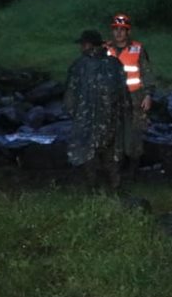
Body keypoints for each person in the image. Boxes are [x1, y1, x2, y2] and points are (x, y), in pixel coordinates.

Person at [64, 29, 129, 189]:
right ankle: (115, 188)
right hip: (111, 120)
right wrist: (124, 115)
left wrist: (73, 114)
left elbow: (70, 94)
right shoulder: (115, 64)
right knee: (111, 154)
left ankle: (92, 188)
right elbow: (124, 94)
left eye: (82, 44)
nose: (81, 48)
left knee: (88, 153)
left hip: (87, 120)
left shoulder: (80, 65)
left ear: (87, 45)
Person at [102, 14, 153, 176]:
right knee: (112, 133)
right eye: (116, 29)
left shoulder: (138, 49)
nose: (118, 33)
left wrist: (148, 95)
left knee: (135, 133)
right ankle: (115, 170)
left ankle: (133, 172)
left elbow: (147, 73)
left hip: (134, 97)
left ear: (128, 32)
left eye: (122, 30)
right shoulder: (105, 49)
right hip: (111, 98)